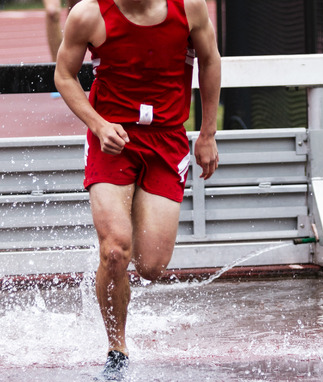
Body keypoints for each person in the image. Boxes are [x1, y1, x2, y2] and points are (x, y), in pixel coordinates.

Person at [54, 0, 221, 379]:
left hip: (166, 140)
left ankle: (115, 276)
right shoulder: (89, 14)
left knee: (151, 266)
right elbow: (63, 75)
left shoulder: (189, 9)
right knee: (115, 250)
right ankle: (117, 348)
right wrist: (97, 125)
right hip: (112, 137)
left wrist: (208, 133)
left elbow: (210, 60)